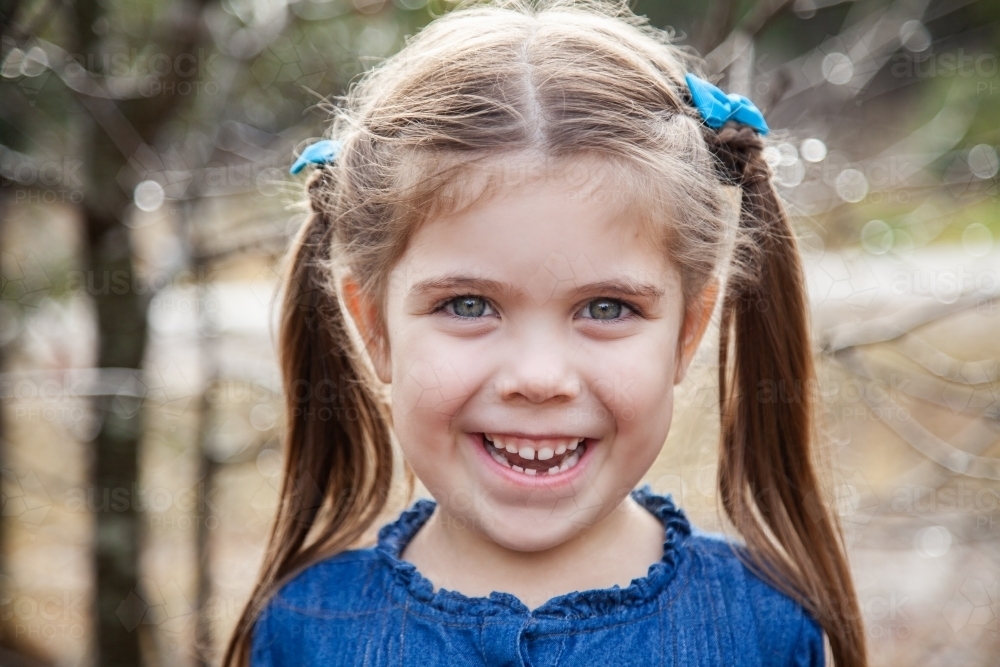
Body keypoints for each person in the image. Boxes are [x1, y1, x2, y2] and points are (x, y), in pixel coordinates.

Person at [222, 0, 868, 665]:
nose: (538, 377)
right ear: (375, 328)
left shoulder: (764, 628)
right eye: (469, 305)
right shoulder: (305, 629)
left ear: (686, 333)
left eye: (608, 307)